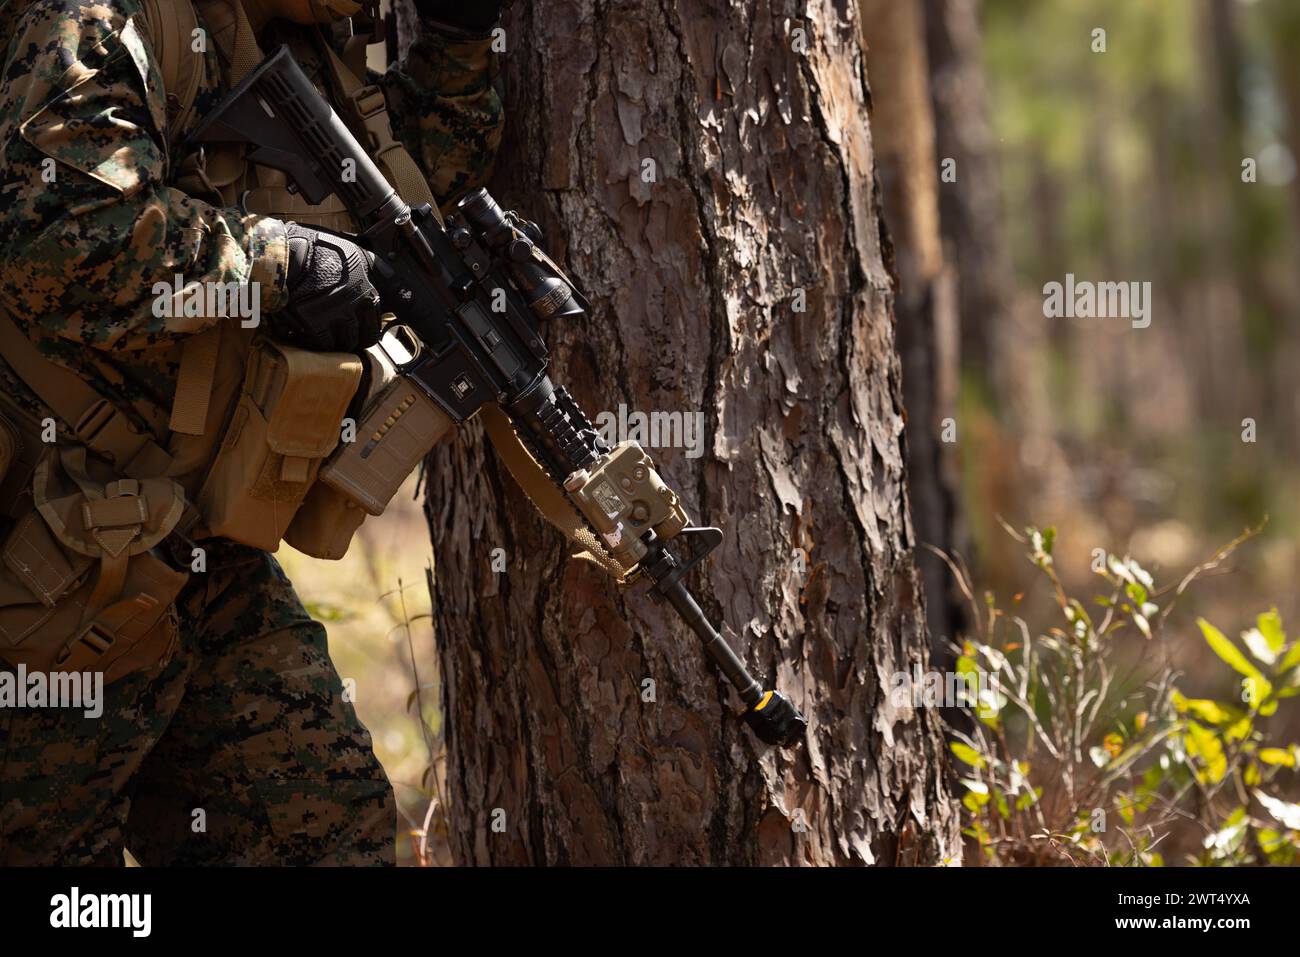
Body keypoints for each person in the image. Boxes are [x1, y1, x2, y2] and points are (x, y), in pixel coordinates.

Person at [0, 0, 503, 865]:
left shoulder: (287, 30)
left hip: (184, 545)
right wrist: (281, 263)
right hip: (37, 553)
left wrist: (458, 41)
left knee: (321, 829)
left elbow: (403, 196)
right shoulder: (102, 17)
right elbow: (56, 240)